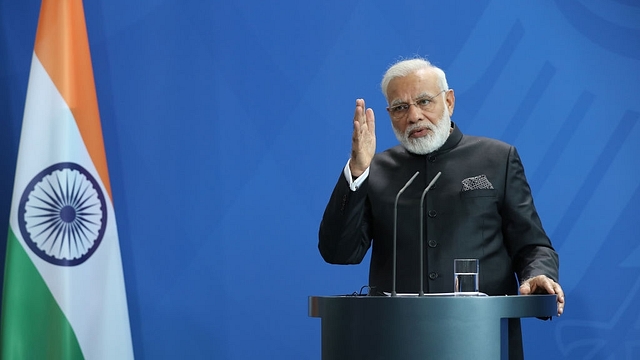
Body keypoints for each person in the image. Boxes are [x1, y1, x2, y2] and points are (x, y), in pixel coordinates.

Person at [318, 57, 565, 359]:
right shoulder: (377, 169)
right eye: (400, 108)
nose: (414, 116)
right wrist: (357, 172)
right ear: (389, 115)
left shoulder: (497, 159)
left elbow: (532, 245)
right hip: (395, 341)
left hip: (481, 339)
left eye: (424, 101)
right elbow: (339, 252)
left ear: (449, 101)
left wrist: (536, 275)